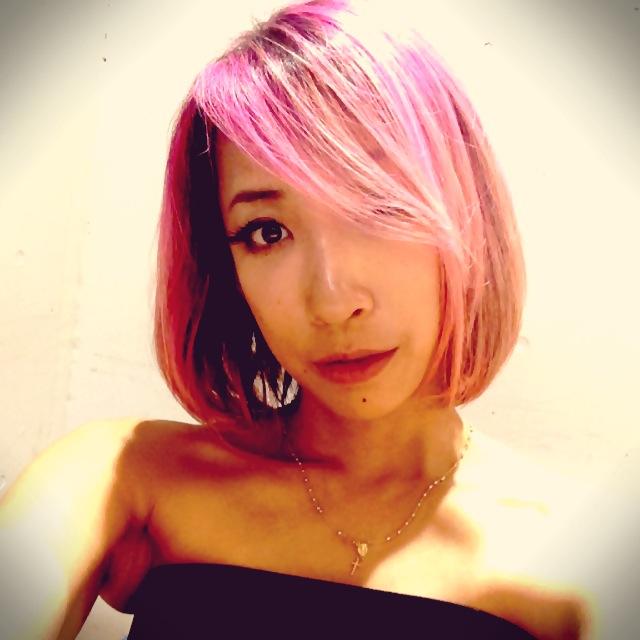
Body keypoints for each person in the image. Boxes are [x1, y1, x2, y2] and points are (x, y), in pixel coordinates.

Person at [0, 0, 599, 638]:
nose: (333, 301)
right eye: (266, 231)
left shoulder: (575, 558)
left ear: (466, 214)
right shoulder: (121, 478)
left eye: (377, 206)